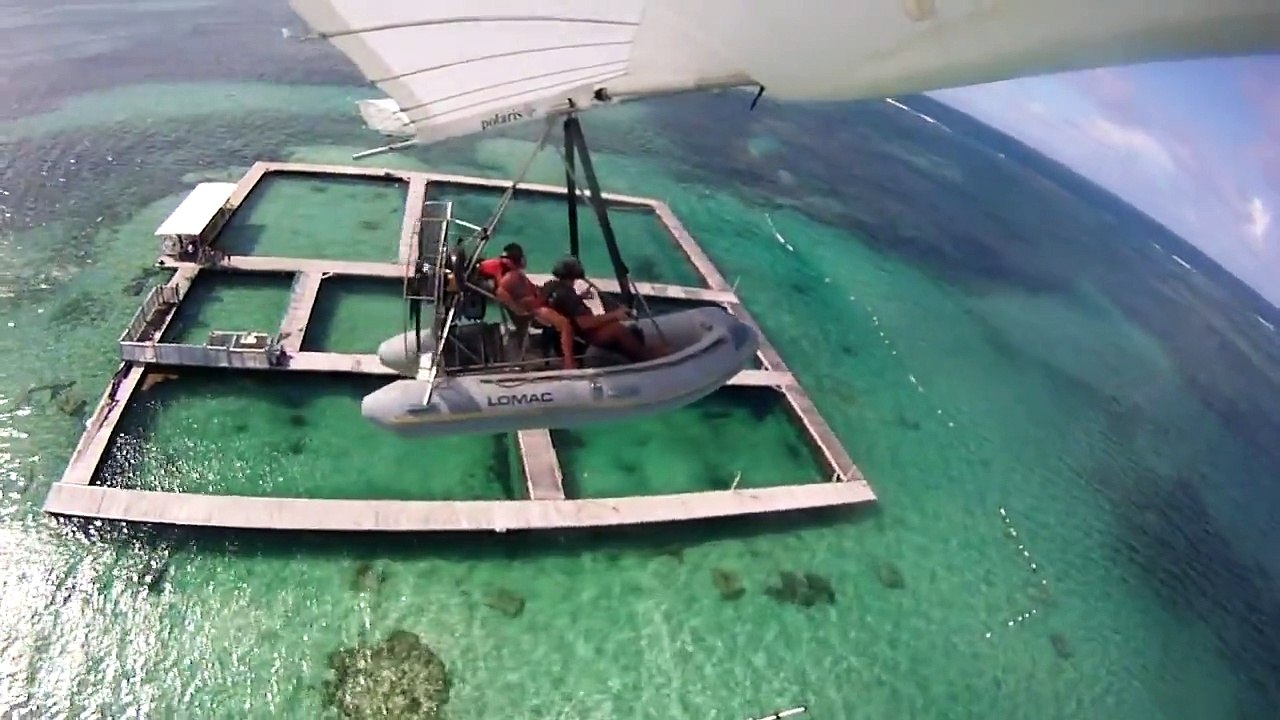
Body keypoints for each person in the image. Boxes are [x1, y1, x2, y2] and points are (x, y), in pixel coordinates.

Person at [542, 256, 667, 363]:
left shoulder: (559, 289)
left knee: (616, 326)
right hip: (584, 334)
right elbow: (581, 323)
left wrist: (580, 297)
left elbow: (567, 308)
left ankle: (641, 351)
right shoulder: (565, 293)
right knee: (618, 330)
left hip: (580, 331)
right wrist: (614, 315)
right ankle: (645, 358)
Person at [475, 242, 578, 368]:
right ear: (520, 259)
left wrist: (542, 291)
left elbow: (525, 292)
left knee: (557, 288)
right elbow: (502, 294)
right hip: (536, 311)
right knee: (565, 324)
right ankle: (569, 363)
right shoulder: (512, 277)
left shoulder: (514, 275)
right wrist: (520, 310)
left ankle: (557, 350)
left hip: (537, 304)